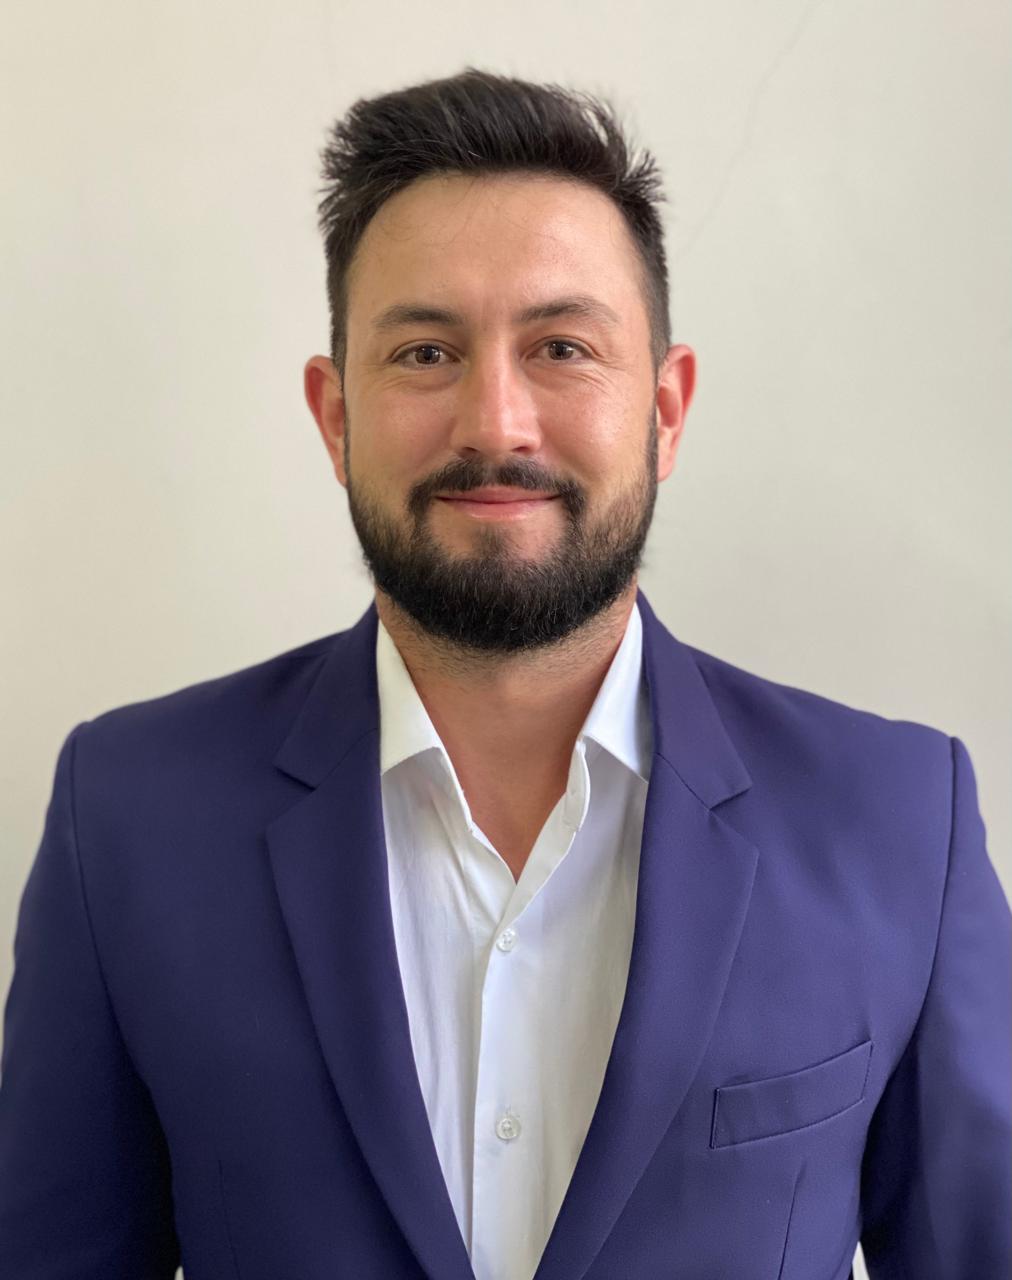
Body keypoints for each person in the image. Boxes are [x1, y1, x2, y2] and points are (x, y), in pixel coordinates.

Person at [0, 67, 1008, 1280]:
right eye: (425, 351)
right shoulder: (127, 815)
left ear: (665, 410)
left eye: (561, 347)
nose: (495, 421)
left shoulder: (897, 818)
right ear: (335, 416)